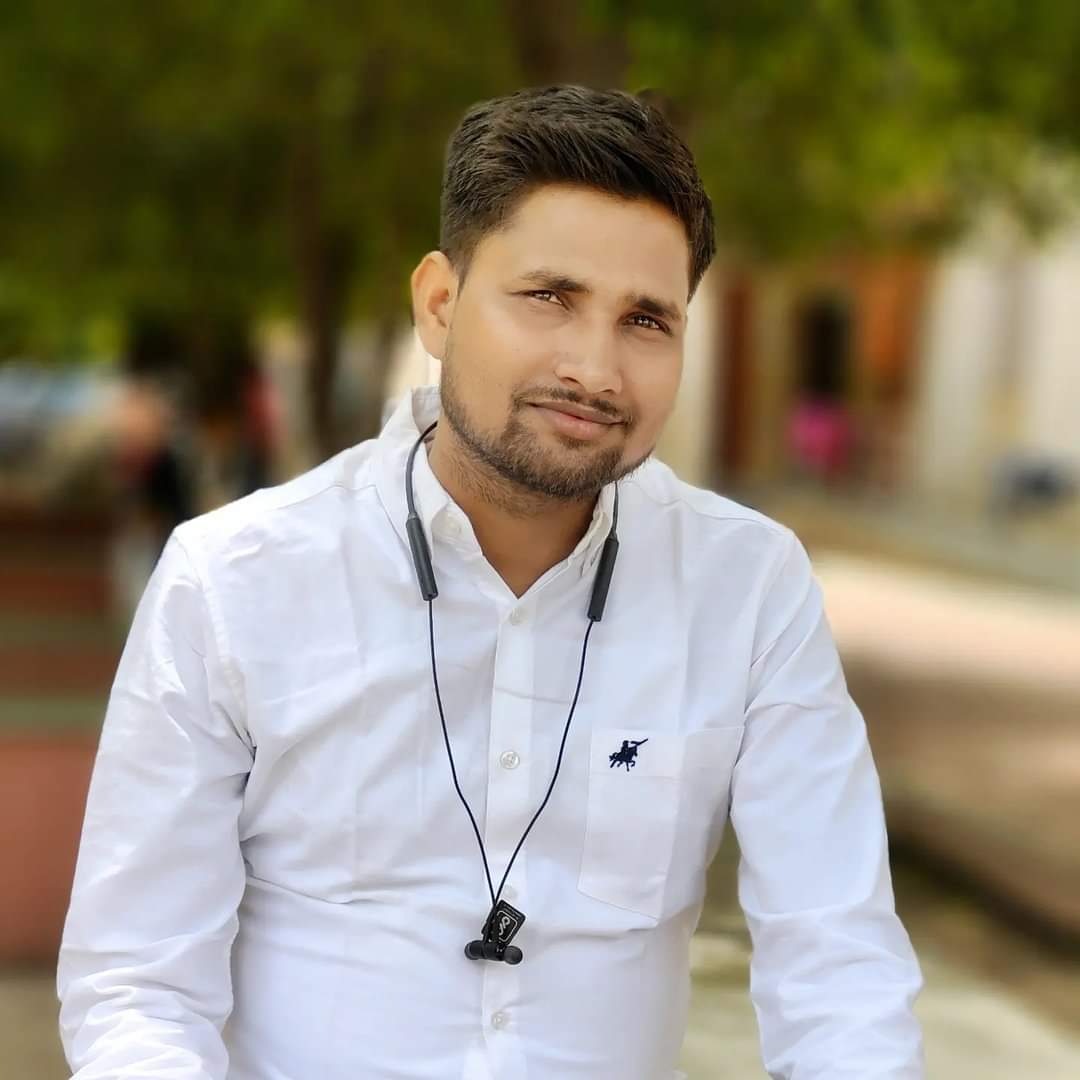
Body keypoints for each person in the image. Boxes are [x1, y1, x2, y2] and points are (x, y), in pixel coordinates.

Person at [57, 86, 925, 1079]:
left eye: (646, 319)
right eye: (549, 297)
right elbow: (138, 988)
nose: (595, 368)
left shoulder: (748, 588)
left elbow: (838, 969)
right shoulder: (233, 582)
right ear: (439, 305)